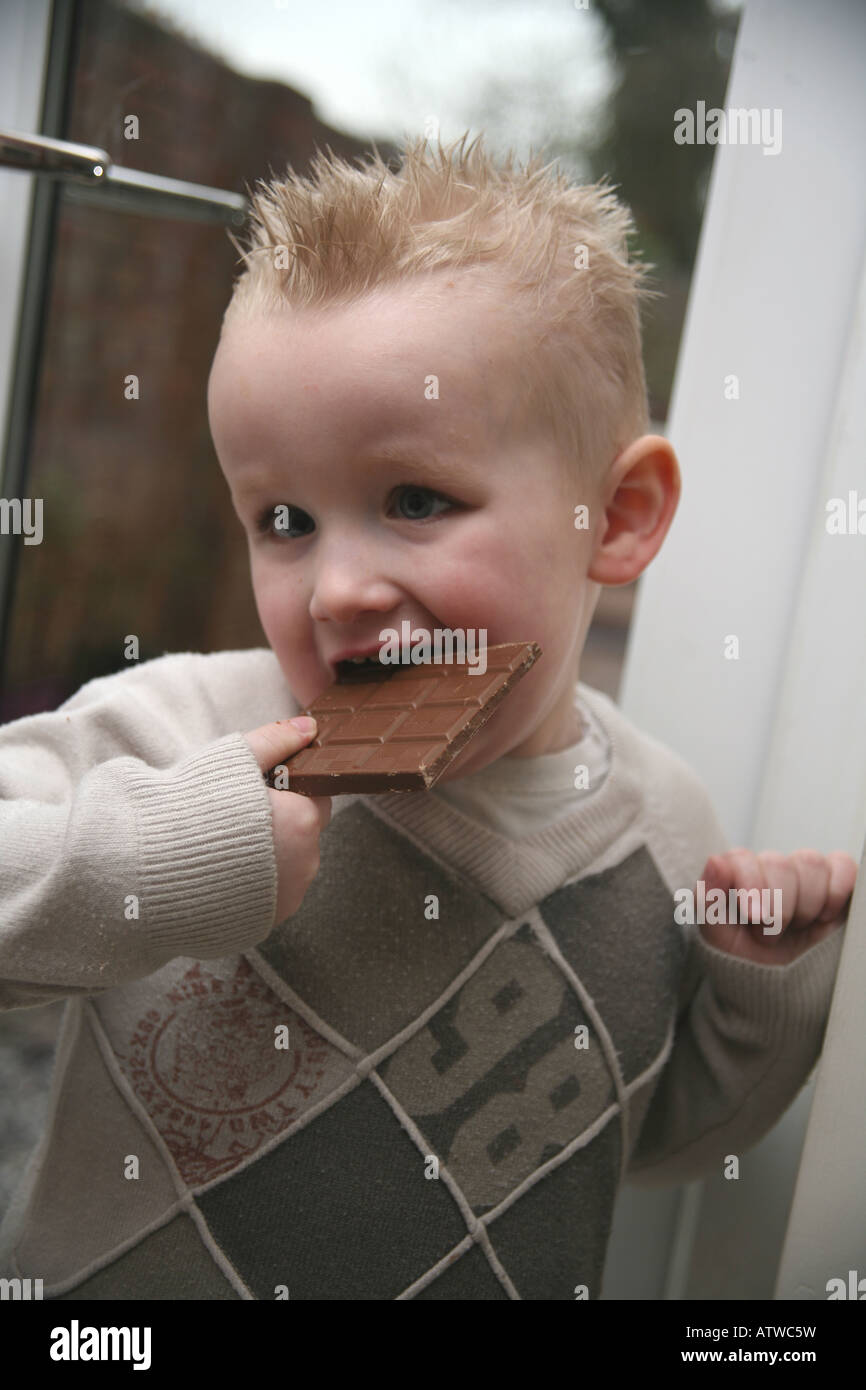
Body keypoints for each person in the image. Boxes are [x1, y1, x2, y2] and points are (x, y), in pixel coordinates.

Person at [0, 134, 856, 1301]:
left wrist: (760, 992)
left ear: (614, 516)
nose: (337, 586)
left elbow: (635, 1141)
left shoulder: (659, 825)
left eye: (413, 500)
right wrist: (158, 857)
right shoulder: (178, 731)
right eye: (285, 518)